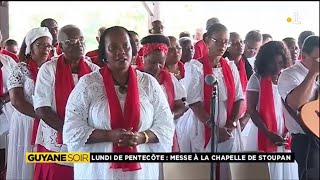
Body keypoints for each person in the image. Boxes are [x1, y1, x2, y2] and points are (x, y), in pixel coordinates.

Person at [63, 26, 175, 179]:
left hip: (141, 172)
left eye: (125, 46)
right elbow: (72, 130)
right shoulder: (87, 85)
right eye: (112, 47)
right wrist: (109, 136)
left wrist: (142, 137)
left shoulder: (148, 83)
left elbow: (166, 125)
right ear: (104, 54)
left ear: (133, 50)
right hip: (99, 171)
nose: (121, 51)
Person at [33, 24, 99, 180]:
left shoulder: (95, 71)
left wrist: (84, 134)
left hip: (87, 141)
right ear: (60, 46)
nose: (79, 44)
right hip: (56, 141)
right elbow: (42, 109)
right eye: (72, 41)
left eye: (81, 39)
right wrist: (71, 131)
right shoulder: (48, 69)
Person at [185, 23, 244, 180]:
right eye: (217, 41)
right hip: (205, 126)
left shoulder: (231, 67)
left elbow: (239, 98)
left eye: (226, 42)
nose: (222, 45)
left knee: (227, 171)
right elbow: (194, 103)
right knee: (207, 171)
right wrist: (215, 129)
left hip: (229, 127)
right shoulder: (195, 67)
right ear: (206, 40)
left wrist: (230, 124)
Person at [246, 41, 298, 180]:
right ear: (265, 62)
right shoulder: (256, 78)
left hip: (284, 132)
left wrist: (289, 130)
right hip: (263, 130)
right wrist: (268, 133)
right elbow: (251, 110)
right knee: (266, 170)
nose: (276, 67)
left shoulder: (286, 77)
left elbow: (292, 106)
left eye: (280, 63)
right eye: (273, 63)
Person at [6, 27, 52, 180]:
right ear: (30, 47)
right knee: (27, 159)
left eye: (48, 45)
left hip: (47, 121)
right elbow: (16, 101)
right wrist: (43, 115)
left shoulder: (52, 69)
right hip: (27, 122)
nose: (46, 49)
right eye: (40, 45)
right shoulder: (20, 69)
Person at [278, 35, 319, 180]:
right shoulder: (289, 75)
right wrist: (313, 72)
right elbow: (296, 103)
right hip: (306, 140)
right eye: (317, 59)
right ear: (304, 55)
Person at [141, 34, 188, 152]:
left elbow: (181, 106)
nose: (157, 67)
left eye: (161, 63)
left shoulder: (169, 78)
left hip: (164, 135)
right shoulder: (135, 78)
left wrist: (169, 116)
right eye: (152, 62)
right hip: (142, 137)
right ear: (143, 58)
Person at [224, 32, 250, 130]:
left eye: (241, 42)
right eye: (234, 43)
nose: (240, 45)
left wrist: (246, 118)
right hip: (227, 116)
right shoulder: (223, 66)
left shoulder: (247, 66)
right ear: (227, 47)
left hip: (245, 116)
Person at [0, 53, 16, 180]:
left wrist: (3, 100)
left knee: (4, 156)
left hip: (6, 116)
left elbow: (16, 85)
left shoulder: (7, 61)